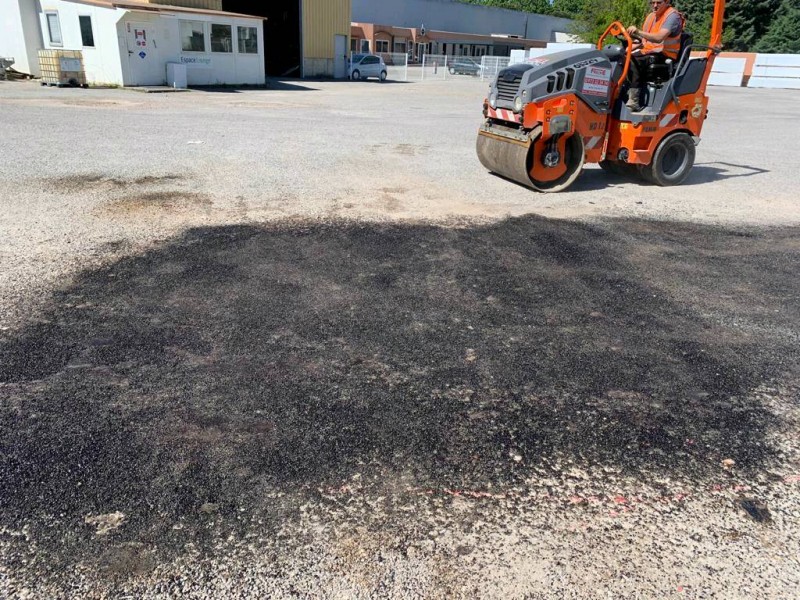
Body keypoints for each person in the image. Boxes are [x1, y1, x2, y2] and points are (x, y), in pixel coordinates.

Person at [625, 0, 685, 111]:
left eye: (658, 2)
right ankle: (620, 94)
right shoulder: (651, 17)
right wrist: (626, 50)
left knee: (633, 60)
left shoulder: (672, 16)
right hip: (648, 51)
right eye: (652, 2)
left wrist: (637, 31)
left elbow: (658, 38)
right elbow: (643, 41)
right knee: (622, 58)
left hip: (665, 55)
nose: (655, 5)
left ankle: (634, 101)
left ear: (667, 2)